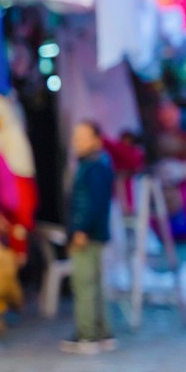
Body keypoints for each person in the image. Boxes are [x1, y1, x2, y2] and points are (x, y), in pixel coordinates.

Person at [63, 120, 117, 354]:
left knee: (84, 285)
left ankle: (87, 335)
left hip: (88, 234)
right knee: (93, 284)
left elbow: (92, 203)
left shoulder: (94, 166)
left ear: (96, 140)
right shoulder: (95, 164)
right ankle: (101, 332)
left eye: (82, 137)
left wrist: (81, 230)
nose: (77, 142)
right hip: (93, 232)